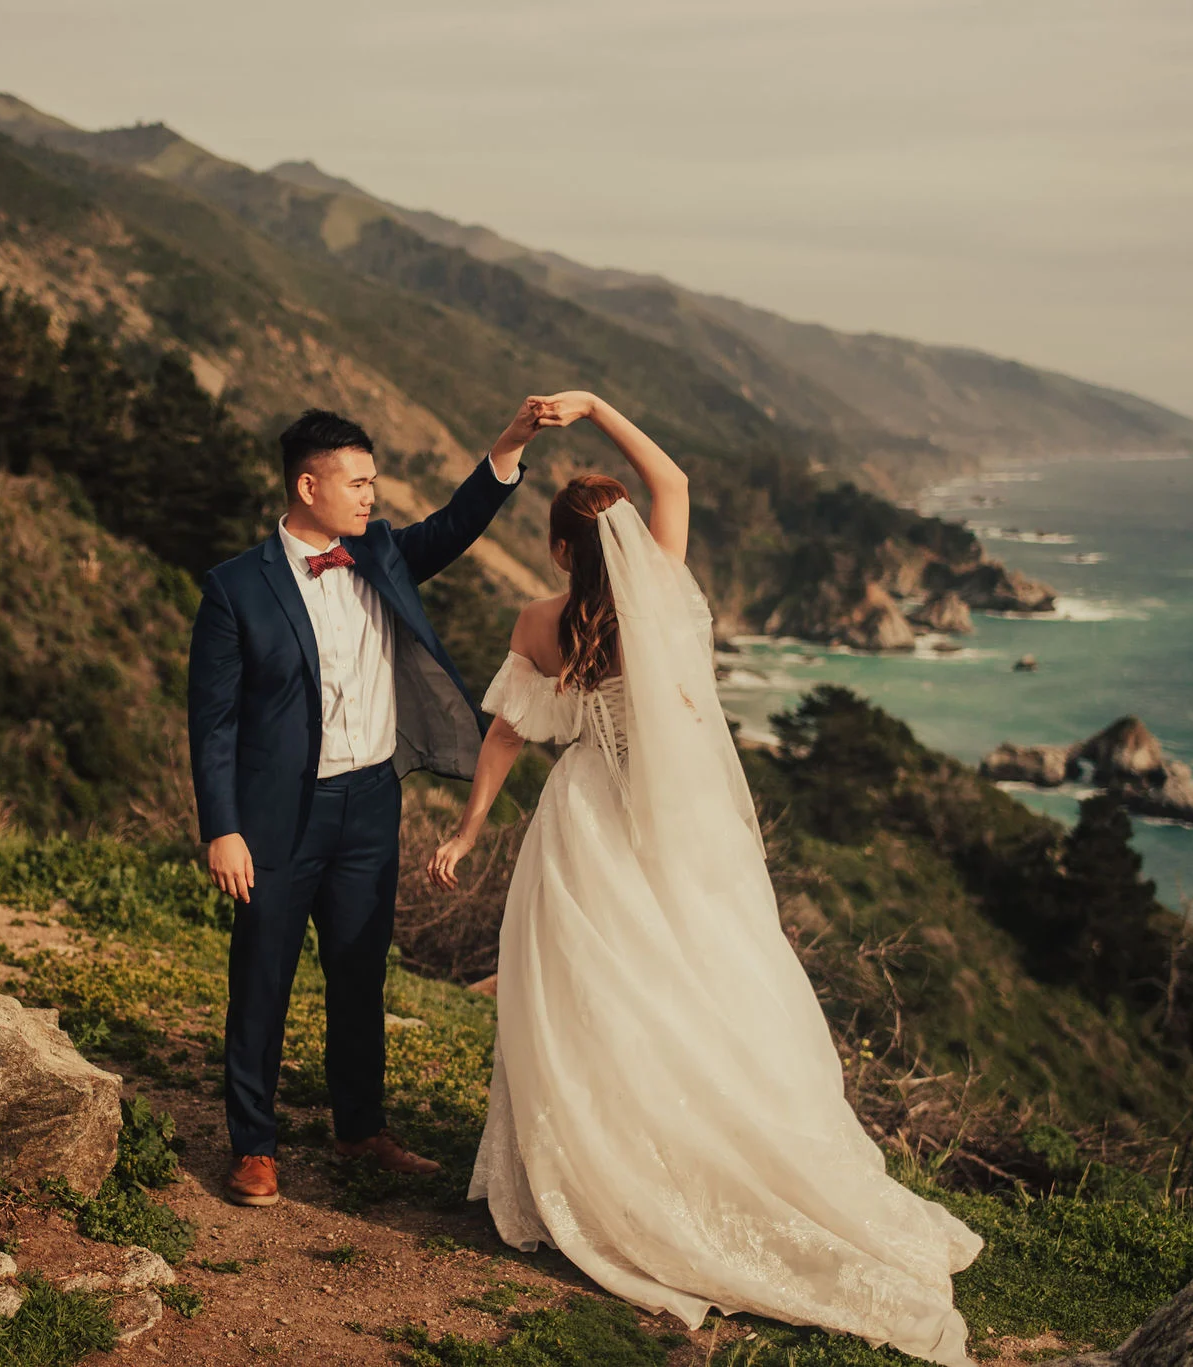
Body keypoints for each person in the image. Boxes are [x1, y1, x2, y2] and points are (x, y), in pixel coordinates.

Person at [427, 392, 983, 1366]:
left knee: (583, 1003)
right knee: (703, 995)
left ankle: (591, 1171)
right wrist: (596, 404)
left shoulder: (538, 619)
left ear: (560, 550)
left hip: (582, 822)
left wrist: (471, 827)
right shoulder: (665, 594)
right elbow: (672, 479)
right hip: (678, 833)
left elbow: (507, 732)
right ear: (631, 541)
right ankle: (683, 1162)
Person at [188, 402, 547, 1208]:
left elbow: (455, 524)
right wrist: (224, 828)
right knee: (262, 977)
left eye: (373, 481)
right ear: (307, 484)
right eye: (357, 482)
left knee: (358, 971)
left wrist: (510, 447)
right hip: (279, 816)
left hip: (370, 803)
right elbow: (210, 722)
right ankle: (253, 1146)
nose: (369, 496)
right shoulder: (235, 589)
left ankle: (361, 1128)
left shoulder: (378, 551)